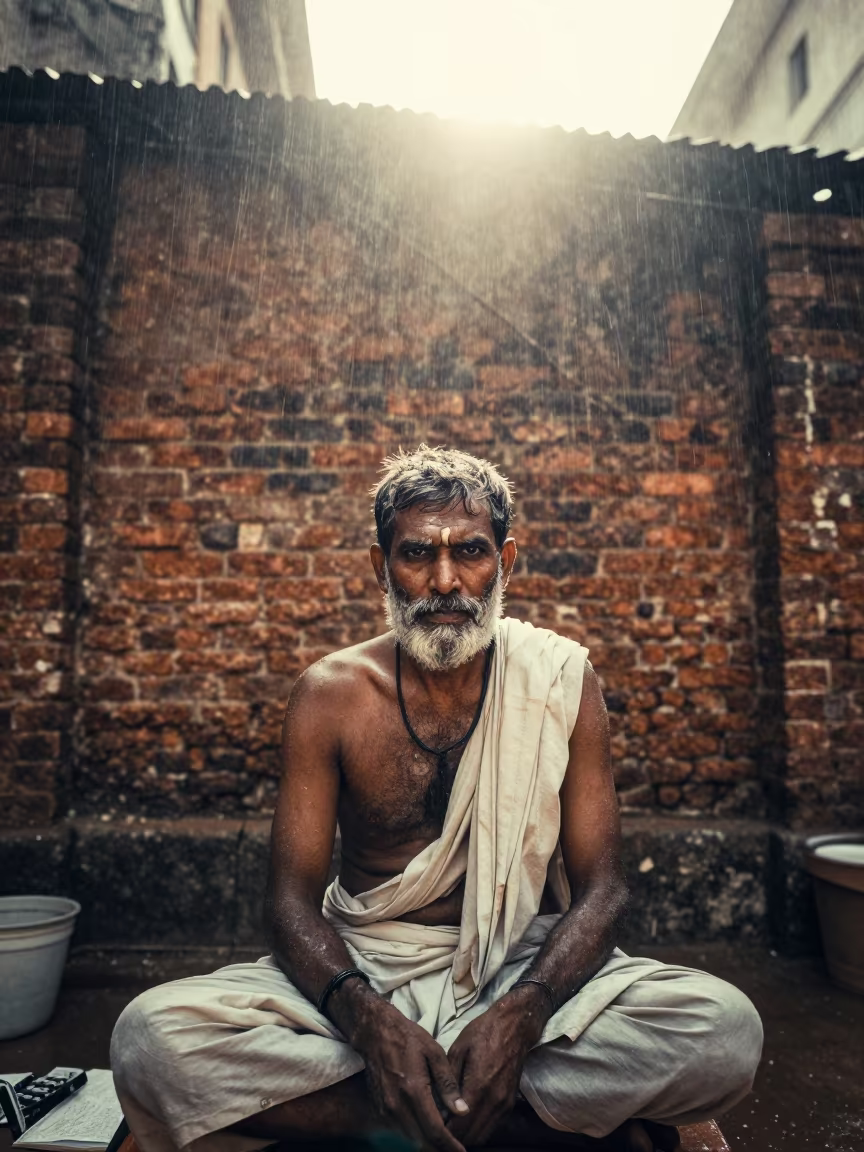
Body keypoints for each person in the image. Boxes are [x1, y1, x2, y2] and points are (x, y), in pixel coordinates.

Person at [111, 445, 763, 1152]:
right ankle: (509, 1124)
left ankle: (403, 1112)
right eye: (418, 553)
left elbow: (602, 891)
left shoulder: (563, 681)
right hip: (366, 969)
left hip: (521, 963)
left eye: (472, 554)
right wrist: (367, 1021)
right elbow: (288, 902)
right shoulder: (329, 695)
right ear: (379, 565)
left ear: (506, 562)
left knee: (724, 1031)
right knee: (150, 1041)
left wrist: (526, 1012)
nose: (446, 581)